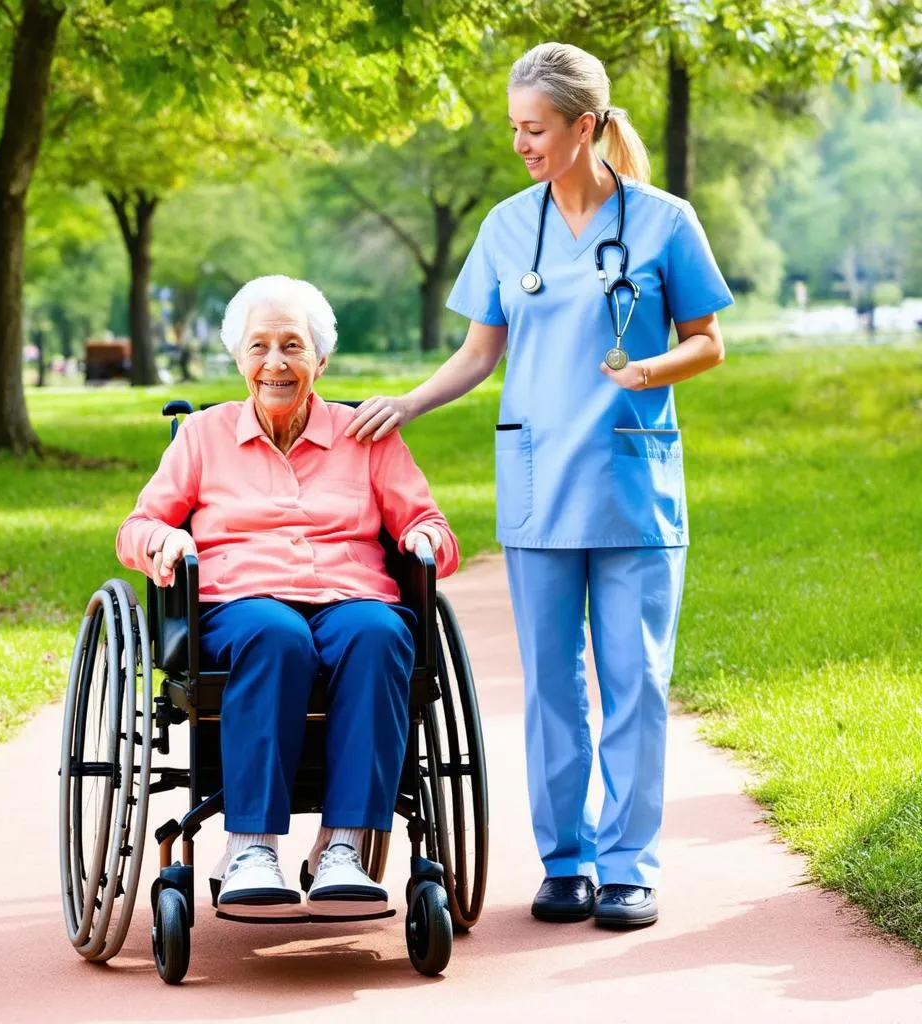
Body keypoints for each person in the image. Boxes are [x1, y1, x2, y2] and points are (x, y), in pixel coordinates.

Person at [346, 42, 732, 929]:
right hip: (536, 483)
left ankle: (630, 864)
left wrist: (651, 369)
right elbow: (480, 353)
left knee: (635, 679)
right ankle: (568, 861)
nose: (521, 142)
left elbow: (708, 340)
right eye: (515, 127)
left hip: (633, 483)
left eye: (536, 128)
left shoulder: (667, 221)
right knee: (554, 684)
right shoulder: (505, 227)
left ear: (585, 126)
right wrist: (408, 403)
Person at [117, 274, 459, 920]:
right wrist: (162, 542)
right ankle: (250, 849)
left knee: (383, 635)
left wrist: (420, 538)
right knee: (277, 636)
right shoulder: (202, 438)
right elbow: (135, 528)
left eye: (293, 346)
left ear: (320, 360)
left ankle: (345, 849)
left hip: (352, 597)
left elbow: (435, 529)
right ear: (240, 359)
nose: (276, 363)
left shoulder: (368, 435)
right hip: (241, 605)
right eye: (260, 347)